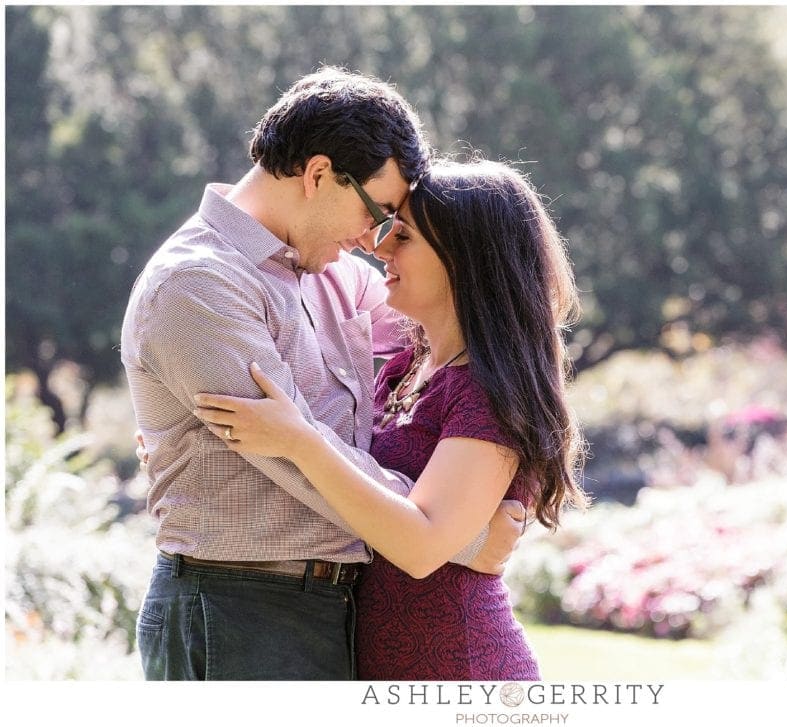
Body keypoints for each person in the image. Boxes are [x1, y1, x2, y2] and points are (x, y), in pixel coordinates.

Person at [120, 67, 524, 681]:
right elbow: (293, 464)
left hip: (328, 607)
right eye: (377, 212)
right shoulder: (199, 285)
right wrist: (460, 540)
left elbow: (461, 319)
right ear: (317, 175)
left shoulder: (330, 274)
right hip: (238, 606)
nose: (374, 241)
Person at [192, 158, 589, 680]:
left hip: (457, 671)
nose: (380, 249)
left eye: (403, 237)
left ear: (463, 260)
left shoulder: (487, 394)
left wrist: (301, 442)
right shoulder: (407, 364)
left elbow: (421, 548)